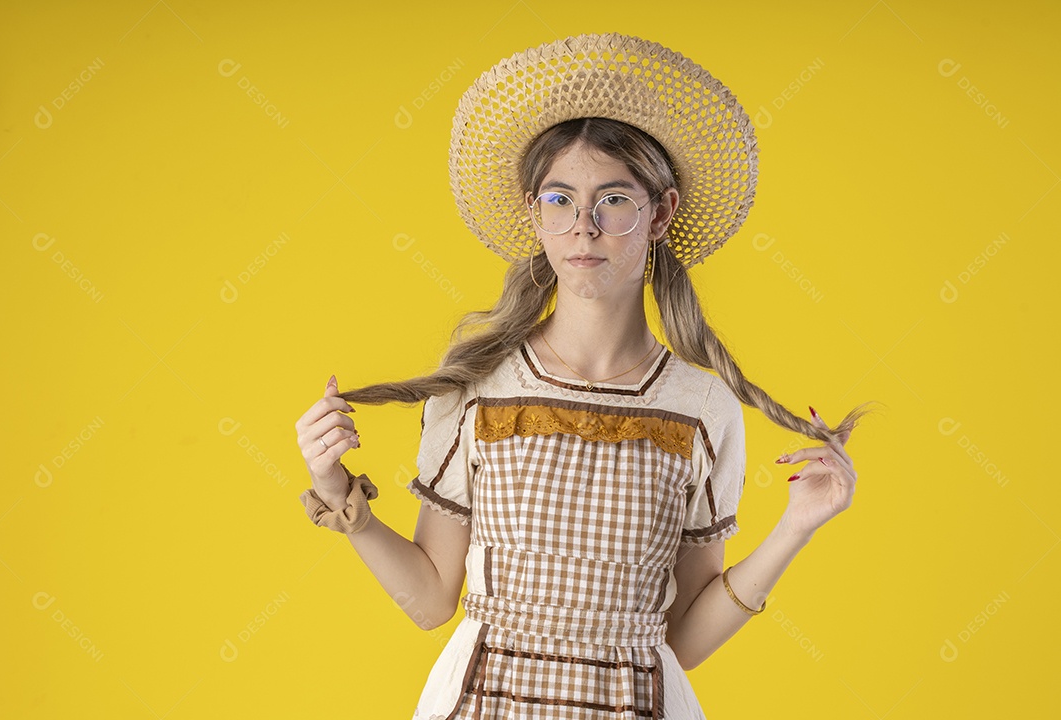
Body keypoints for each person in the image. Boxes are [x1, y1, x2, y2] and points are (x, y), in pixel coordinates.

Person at [293, 33, 877, 719]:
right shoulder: (478, 392)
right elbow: (429, 602)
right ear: (534, 214)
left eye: (614, 201)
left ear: (660, 213)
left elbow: (685, 639)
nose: (584, 228)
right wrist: (336, 494)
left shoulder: (702, 406)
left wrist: (796, 527)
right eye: (561, 200)